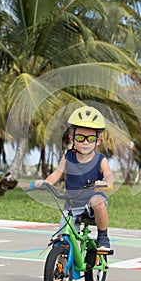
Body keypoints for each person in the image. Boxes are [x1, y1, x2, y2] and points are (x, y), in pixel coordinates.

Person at [35, 106, 114, 250]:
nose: (85, 142)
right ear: (72, 139)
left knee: (97, 201)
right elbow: (56, 174)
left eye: (90, 139)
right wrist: (45, 183)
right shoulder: (68, 157)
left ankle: (103, 236)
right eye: (80, 138)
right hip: (72, 205)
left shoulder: (100, 159)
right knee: (61, 241)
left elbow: (109, 175)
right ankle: (61, 267)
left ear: (97, 141)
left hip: (92, 202)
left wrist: (105, 183)